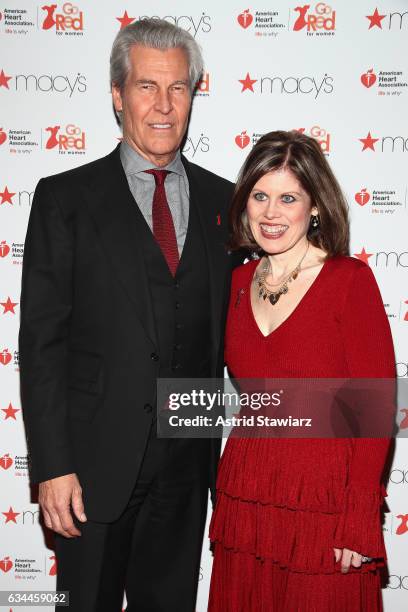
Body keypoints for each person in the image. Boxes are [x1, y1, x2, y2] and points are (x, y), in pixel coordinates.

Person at [18, 19, 236, 612]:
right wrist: (53, 465)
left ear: (194, 93)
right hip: (91, 468)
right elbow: (41, 344)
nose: (163, 106)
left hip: (187, 469)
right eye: (146, 87)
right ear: (117, 95)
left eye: (178, 88)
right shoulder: (65, 199)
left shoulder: (228, 201)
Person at [208, 130, 396, 611]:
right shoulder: (235, 282)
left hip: (323, 502)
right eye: (260, 196)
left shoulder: (348, 281)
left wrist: (358, 517)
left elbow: (373, 409)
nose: (271, 213)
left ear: (314, 207)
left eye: (288, 197)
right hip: (247, 495)